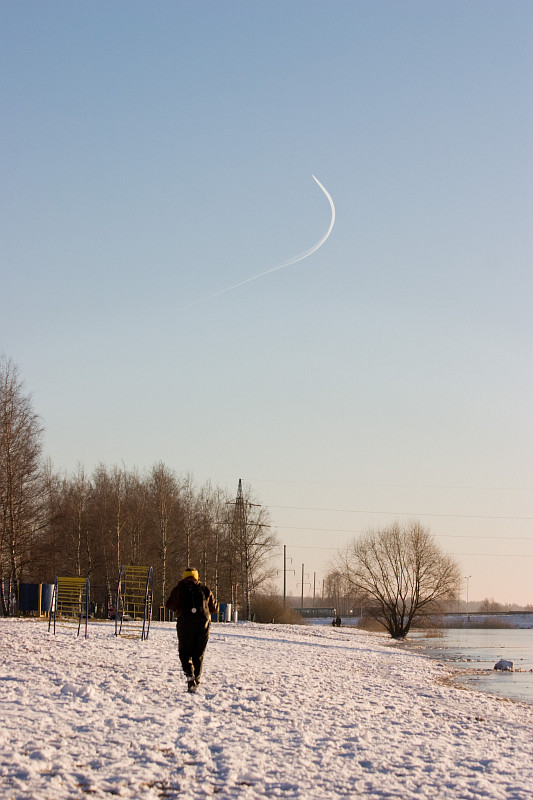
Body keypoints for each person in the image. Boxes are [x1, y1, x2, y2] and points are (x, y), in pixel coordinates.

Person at [165, 567, 218, 693]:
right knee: (198, 653)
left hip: (185, 623)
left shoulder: (179, 589)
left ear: (184, 576)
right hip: (203, 624)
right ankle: (196, 681)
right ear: (196, 576)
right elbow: (214, 608)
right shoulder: (204, 589)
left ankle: (189, 672)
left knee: (184, 651)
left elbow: (170, 605)